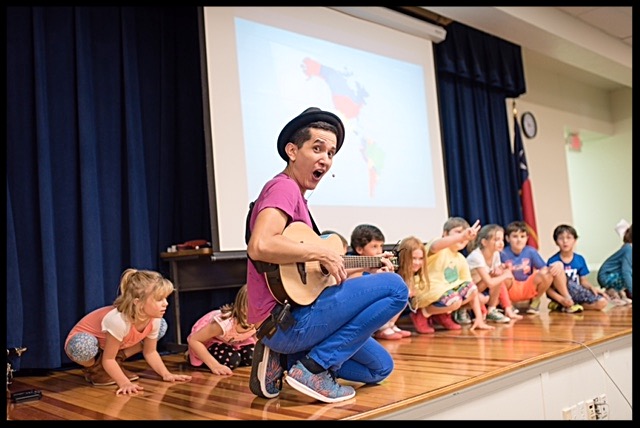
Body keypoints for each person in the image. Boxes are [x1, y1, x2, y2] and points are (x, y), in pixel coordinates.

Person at [245, 107, 408, 404]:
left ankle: (288, 359)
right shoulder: (283, 187)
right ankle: (313, 368)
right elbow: (260, 244)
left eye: (331, 153)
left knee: (380, 368)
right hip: (285, 321)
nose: (326, 159)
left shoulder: (299, 200)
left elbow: (313, 277)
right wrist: (320, 251)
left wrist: (366, 268)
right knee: (396, 288)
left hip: (297, 316)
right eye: (317, 148)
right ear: (292, 151)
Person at [64, 268, 192, 395]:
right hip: (84, 344)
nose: (166, 304)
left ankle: (115, 365)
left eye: (166, 298)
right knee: (83, 345)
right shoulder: (119, 321)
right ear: (138, 303)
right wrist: (124, 383)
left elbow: (150, 352)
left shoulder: (155, 320)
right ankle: (95, 370)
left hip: (113, 344)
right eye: (159, 299)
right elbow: (109, 359)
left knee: (162, 326)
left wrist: (166, 374)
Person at [408, 217, 494, 332]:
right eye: (458, 232)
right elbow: (435, 246)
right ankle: (422, 313)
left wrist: (479, 318)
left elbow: (472, 290)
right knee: (454, 300)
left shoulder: (461, 259)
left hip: (445, 296)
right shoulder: (438, 246)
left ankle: (441, 314)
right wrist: (462, 236)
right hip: (424, 292)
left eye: (465, 234)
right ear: (445, 234)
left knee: (471, 289)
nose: (464, 236)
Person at [348, 224, 410, 340]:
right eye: (374, 246)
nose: (379, 251)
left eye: (381, 246)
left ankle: (389, 324)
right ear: (359, 249)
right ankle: (381, 328)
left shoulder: (378, 265)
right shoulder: (352, 265)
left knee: (402, 290)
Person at [185, 284, 257, 375]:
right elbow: (193, 340)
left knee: (253, 357)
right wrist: (214, 365)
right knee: (231, 360)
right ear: (243, 308)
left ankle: (234, 353)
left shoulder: (261, 320)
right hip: (210, 341)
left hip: (234, 342)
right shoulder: (225, 323)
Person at [500, 221, 569, 314]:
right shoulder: (502, 253)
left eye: (522, 236)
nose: (519, 240)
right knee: (503, 275)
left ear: (527, 238)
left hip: (528, 286)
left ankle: (535, 300)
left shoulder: (531, 251)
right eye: (515, 236)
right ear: (507, 238)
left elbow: (544, 269)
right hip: (512, 287)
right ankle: (508, 304)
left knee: (547, 273)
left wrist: (559, 264)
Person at [466, 224, 522, 322]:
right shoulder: (476, 256)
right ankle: (464, 311)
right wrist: (505, 274)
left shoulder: (495, 253)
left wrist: (508, 307)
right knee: (483, 297)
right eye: (496, 240)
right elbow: (489, 283)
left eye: (502, 239)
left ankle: (492, 310)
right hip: (468, 291)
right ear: (484, 242)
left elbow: (496, 281)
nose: (501, 243)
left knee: (498, 276)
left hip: (481, 288)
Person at [547, 224, 608, 311]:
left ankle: (568, 305)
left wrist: (592, 288)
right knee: (560, 270)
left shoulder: (579, 259)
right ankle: (564, 302)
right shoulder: (553, 261)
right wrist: (560, 299)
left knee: (602, 302)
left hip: (576, 291)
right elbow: (548, 287)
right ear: (556, 242)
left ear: (575, 240)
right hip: (561, 294)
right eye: (561, 238)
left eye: (569, 238)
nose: (565, 241)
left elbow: (583, 281)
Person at [598, 223, 632, 304]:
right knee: (628, 274)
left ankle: (617, 292)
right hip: (606, 276)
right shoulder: (628, 249)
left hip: (612, 274)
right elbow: (626, 272)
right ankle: (611, 292)